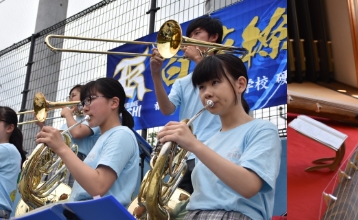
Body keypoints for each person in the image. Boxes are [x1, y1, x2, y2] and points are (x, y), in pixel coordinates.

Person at [158, 54, 281, 220]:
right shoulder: (208, 143)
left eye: (215, 83)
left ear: (240, 84)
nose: (207, 93)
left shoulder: (262, 130)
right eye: (201, 87)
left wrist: (195, 145)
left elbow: (249, 186)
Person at [148, 15, 225, 194]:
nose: (190, 40)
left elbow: (222, 88)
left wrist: (199, 60)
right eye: (189, 35)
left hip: (218, 151)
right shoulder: (183, 82)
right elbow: (167, 110)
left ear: (213, 37)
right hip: (186, 156)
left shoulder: (227, 68)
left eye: (197, 33)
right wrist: (155, 74)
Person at [36, 77, 141, 207]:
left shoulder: (122, 134)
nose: (85, 108)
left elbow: (98, 186)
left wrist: (61, 148)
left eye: (90, 100)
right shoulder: (103, 138)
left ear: (114, 103)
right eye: (84, 102)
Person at [36, 84, 102, 186]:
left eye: (73, 95)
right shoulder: (68, 122)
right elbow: (56, 142)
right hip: (60, 160)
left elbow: (77, 133)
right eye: (69, 96)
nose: (70, 99)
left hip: (79, 161)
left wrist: (68, 114)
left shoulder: (91, 119)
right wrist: (42, 126)